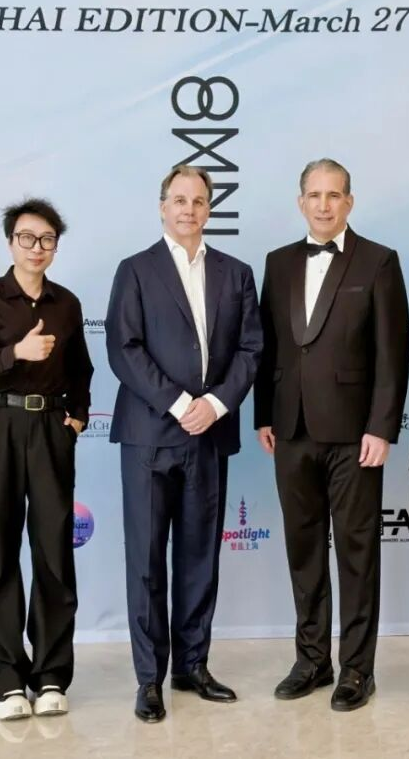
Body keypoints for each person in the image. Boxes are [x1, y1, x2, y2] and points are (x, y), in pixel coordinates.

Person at [106, 164, 262, 723]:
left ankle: (192, 666)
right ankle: (150, 679)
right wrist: (178, 403)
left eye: (198, 201)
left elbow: (251, 349)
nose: (188, 210)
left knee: (199, 558)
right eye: (179, 200)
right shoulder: (135, 269)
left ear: (209, 209)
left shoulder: (236, 273)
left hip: (210, 434)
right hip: (150, 435)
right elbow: (124, 348)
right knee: (147, 561)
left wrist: (215, 405)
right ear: (162, 206)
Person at [254, 158, 409, 712]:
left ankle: (357, 669)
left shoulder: (379, 260)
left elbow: (393, 353)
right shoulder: (277, 262)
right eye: (315, 195)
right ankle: (312, 660)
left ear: (350, 201)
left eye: (334, 195)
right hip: (290, 430)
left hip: (354, 435)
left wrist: (381, 427)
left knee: (356, 552)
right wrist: (263, 415)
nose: (324, 205)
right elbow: (268, 346)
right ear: (301, 202)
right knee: (303, 551)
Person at [0, 198, 93, 720]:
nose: (37, 248)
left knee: (54, 548)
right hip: (0, 424)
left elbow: (81, 368)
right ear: (10, 242)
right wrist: (17, 352)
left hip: (51, 427)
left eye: (47, 239)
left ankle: (52, 673)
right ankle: (4, 679)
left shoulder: (67, 303)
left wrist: (77, 416)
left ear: (56, 246)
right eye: (27, 238)